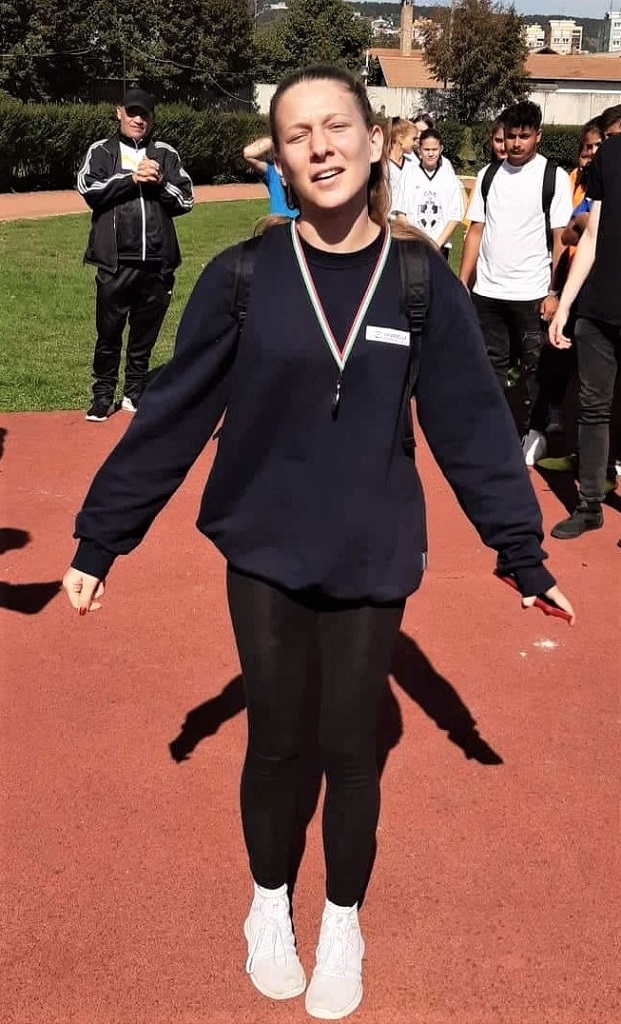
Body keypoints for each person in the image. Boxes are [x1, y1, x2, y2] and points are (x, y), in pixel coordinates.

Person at [63, 65, 574, 1021]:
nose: (320, 147)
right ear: (280, 161)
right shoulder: (244, 276)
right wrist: (102, 539)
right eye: (297, 135)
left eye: (336, 127)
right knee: (276, 738)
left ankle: (341, 917)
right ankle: (269, 904)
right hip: (262, 543)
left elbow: (470, 425)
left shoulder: (419, 281)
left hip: (372, 547)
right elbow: (173, 414)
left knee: (349, 745)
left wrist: (521, 552)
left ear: (375, 142)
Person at [458, 101, 573, 466]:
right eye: (510, 136)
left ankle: (535, 432)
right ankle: (491, 427)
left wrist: (554, 291)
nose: (516, 143)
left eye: (524, 136)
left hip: (532, 291)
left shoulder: (553, 177)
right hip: (488, 290)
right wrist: (463, 281)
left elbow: (560, 238)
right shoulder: (488, 175)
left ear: (538, 135)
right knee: (488, 364)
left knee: (534, 367)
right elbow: (476, 230)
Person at [77, 88, 194, 422]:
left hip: (157, 262)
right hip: (115, 261)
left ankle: (135, 391)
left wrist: (159, 182)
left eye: (144, 114)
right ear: (119, 113)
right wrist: (131, 178)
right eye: (132, 112)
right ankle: (103, 395)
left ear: (152, 118)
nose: (138, 119)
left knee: (144, 335)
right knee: (109, 333)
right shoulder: (102, 151)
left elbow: (186, 199)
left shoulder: (165, 153)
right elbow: (89, 188)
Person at [548, 129, 621, 539]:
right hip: (597, 311)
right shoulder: (610, 154)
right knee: (593, 408)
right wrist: (565, 302)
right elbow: (591, 234)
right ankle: (589, 505)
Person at [401, 128, 464, 258]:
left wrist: (437, 244)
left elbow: (455, 216)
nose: (430, 154)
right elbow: (401, 213)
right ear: (419, 150)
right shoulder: (408, 175)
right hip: (413, 246)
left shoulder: (449, 177)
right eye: (426, 149)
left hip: (440, 247)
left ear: (441, 149)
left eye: (434, 149)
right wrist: (414, 238)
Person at [243, 135, 299, 218]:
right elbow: (247, 154)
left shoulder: (303, 170)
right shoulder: (272, 170)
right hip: (278, 223)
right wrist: (277, 137)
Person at [385, 117, 418, 218]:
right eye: (413, 139)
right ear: (400, 138)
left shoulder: (414, 164)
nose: (415, 143)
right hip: (388, 220)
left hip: (411, 221)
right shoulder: (383, 166)